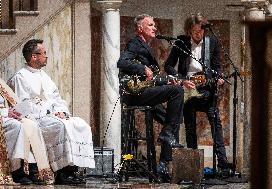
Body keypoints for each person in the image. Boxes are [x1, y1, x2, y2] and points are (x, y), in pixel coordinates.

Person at [8, 39, 96, 185]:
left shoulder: (45, 77)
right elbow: (21, 105)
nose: (46, 56)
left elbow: (57, 99)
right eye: (43, 53)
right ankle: (61, 171)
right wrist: (47, 113)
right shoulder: (20, 77)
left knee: (80, 124)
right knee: (60, 126)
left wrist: (61, 112)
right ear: (34, 56)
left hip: (51, 116)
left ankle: (72, 170)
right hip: (36, 119)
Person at [117, 14, 184, 182]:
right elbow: (122, 62)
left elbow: (153, 80)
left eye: (155, 25)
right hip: (134, 95)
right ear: (141, 28)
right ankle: (166, 136)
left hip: (144, 93)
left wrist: (176, 80)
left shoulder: (145, 46)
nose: (155, 27)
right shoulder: (135, 43)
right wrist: (142, 68)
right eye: (151, 25)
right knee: (177, 93)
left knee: (174, 120)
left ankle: (162, 165)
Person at [164, 13, 230, 173]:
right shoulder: (181, 42)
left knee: (216, 124)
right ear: (189, 30)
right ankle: (193, 167)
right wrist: (182, 79)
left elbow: (217, 66)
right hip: (187, 88)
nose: (198, 34)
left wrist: (219, 77)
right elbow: (168, 66)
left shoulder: (212, 42)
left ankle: (223, 165)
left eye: (200, 31)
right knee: (190, 127)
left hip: (206, 89)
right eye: (194, 31)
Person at [0, 77, 54, 185]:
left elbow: (13, 100)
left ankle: (34, 168)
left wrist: (18, 111)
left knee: (31, 124)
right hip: (3, 116)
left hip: (5, 115)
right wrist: (6, 112)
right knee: (17, 126)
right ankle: (17, 170)